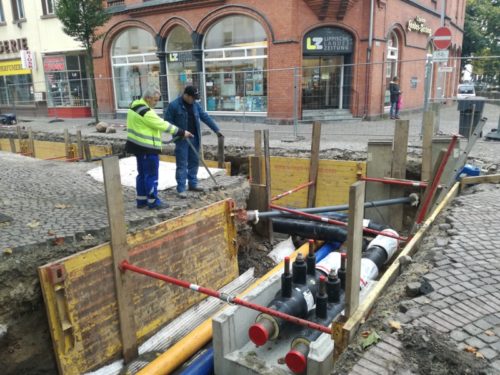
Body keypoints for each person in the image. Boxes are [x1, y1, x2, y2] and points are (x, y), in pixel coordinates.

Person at [125, 87, 193, 209]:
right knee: (151, 175)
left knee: (142, 174)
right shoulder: (146, 112)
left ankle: (141, 201)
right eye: (155, 100)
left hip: (137, 146)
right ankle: (153, 202)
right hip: (147, 147)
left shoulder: (134, 106)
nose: (156, 103)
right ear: (148, 98)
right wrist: (182, 132)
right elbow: (162, 124)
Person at [164, 86, 223, 198]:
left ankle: (193, 184)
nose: (194, 100)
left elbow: (205, 117)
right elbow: (167, 122)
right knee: (182, 163)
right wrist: (180, 132)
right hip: (182, 139)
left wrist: (216, 130)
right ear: (186, 95)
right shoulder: (174, 106)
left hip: (194, 138)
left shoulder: (195, 105)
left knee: (194, 161)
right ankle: (181, 188)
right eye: (192, 98)